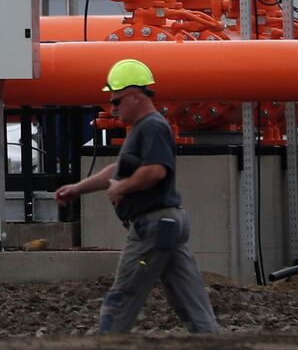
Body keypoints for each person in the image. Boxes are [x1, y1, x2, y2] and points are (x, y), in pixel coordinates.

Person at [54, 59, 219, 333]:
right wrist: (78, 189)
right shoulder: (142, 129)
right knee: (190, 297)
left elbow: (155, 171)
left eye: (116, 101)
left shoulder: (152, 126)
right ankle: (214, 346)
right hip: (168, 226)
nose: (112, 108)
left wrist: (122, 187)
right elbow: (116, 170)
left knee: (126, 290)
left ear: (134, 96)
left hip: (153, 226)